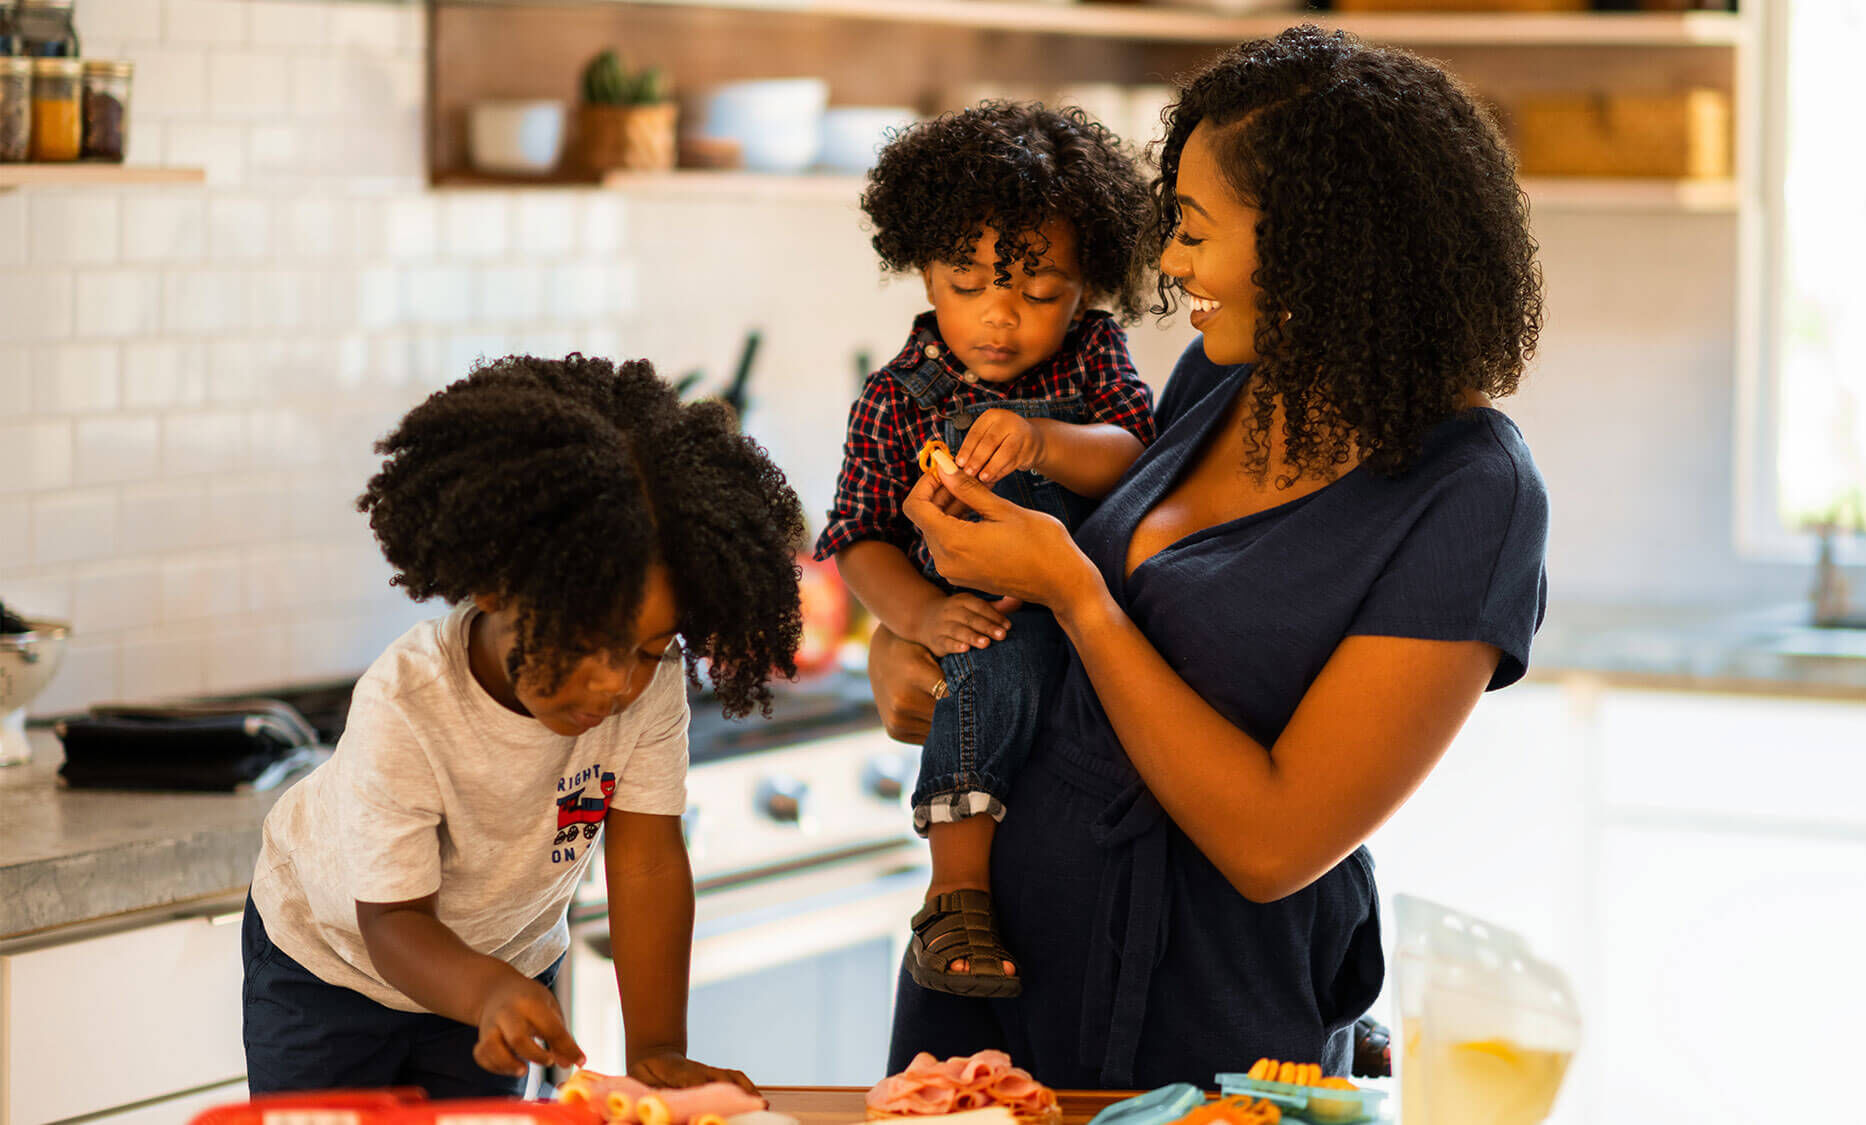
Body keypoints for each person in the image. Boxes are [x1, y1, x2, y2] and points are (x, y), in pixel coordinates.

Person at [870, 26, 1550, 1088]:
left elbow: (1273, 841)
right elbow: (1052, 626)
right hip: (997, 969)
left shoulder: (1472, 496)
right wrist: (914, 632)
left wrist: (1076, 596)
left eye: (1190, 230)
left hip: (1209, 1017)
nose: (1171, 263)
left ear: (1321, 245)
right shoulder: (1224, 381)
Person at [242, 354, 804, 1095]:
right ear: (496, 584)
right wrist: (485, 992)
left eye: (646, 649)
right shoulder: (408, 703)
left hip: (502, 969)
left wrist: (658, 1047)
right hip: (332, 969)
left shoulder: (650, 691)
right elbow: (390, 922)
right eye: (590, 640)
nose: (616, 681)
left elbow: (647, 861)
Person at [814, 102, 1157, 998]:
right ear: (922, 270)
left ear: (1086, 287)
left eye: (1039, 293)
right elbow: (858, 538)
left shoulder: (1092, 358)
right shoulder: (896, 399)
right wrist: (921, 614)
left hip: (1087, 631)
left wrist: (1044, 443)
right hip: (982, 620)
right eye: (967, 286)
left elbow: (1133, 454)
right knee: (987, 671)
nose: (1000, 318)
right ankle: (954, 893)